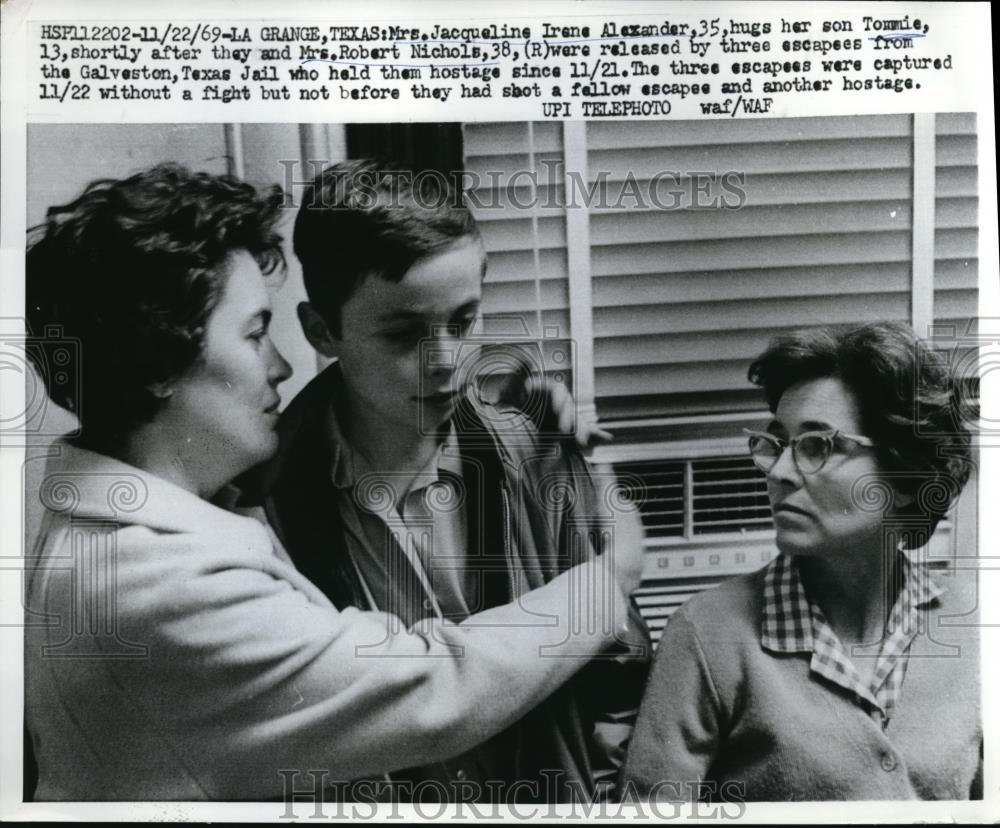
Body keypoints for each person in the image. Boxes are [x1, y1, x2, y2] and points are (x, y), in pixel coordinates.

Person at [22, 163, 642, 801]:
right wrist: (614, 574)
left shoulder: (533, 452)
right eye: (257, 334)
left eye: (463, 322)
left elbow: (619, 690)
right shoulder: (168, 576)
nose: (282, 363)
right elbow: (439, 686)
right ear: (157, 363)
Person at [249, 160, 651, 802]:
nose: (446, 363)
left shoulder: (536, 452)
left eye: (462, 323)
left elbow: (620, 671)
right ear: (322, 331)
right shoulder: (262, 506)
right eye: (404, 334)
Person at [622, 322, 980, 802]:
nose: (780, 473)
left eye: (818, 445)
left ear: (905, 473)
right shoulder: (708, 634)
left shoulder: (976, 624)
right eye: (779, 443)